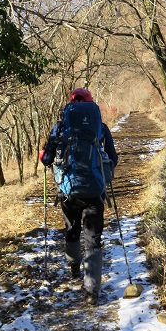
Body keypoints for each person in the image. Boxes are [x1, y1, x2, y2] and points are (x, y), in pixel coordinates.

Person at [40, 88, 118, 305]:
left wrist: (45, 155)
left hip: (69, 191)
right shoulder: (100, 127)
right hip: (94, 190)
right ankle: (92, 291)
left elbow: (46, 159)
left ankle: (74, 267)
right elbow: (113, 158)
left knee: (72, 229)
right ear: (91, 104)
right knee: (93, 240)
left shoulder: (60, 127)